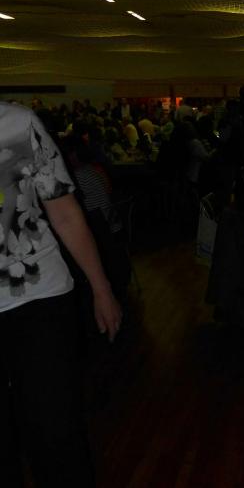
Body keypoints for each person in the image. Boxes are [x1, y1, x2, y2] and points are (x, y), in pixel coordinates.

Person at [0, 101, 122, 486]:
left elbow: (65, 213)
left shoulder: (19, 124)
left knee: (54, 435)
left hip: (38, 299)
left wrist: (101, 288)